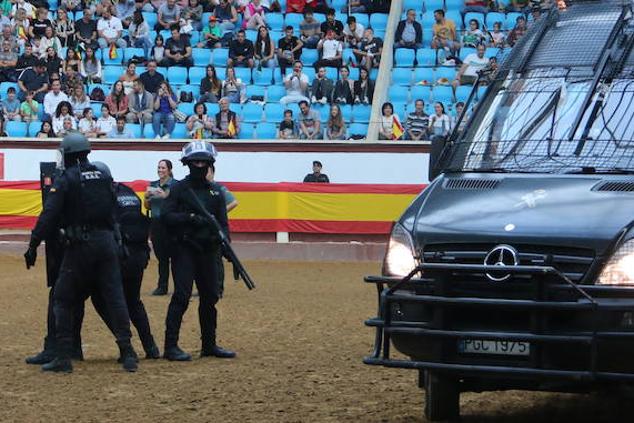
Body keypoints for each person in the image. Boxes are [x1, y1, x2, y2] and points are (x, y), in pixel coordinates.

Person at [23, 133, 139, 373]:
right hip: (108, 243)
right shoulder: (104, 176)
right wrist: (118, 241)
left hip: (81, 246)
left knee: (62, 298)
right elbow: (113, 214)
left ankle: (63, 356)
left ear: (68, 154)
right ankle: (127, 352)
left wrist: (34, 244)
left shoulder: (67, 178)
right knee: (115, 298)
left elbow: (49, 215)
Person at [161, 140, 236, 361]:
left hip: (209, 250)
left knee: (210, 298)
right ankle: (170, 346)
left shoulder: (216, 192)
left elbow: (223, 223)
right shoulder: (178, 189)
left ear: (211, 164)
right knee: (182, 297)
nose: (200, 165)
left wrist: (226, 247)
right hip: (184, 249)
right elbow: (166, 216)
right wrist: (191, 219)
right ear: (188, 163)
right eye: (196, 161)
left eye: (204, 161)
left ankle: (209, 344)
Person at [144, 159, 176, 296]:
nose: (160, 170)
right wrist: (146, 196)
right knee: (161, 256)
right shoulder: (152, 185)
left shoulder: (175, 185)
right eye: (159, 167)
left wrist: (165, 196)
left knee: (175, 256)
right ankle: (162, 286)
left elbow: (177, 202)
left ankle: (180, 286)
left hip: (171, 223)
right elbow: (147, 206)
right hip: (156, 222)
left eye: (163, 168)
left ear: (169, 170)